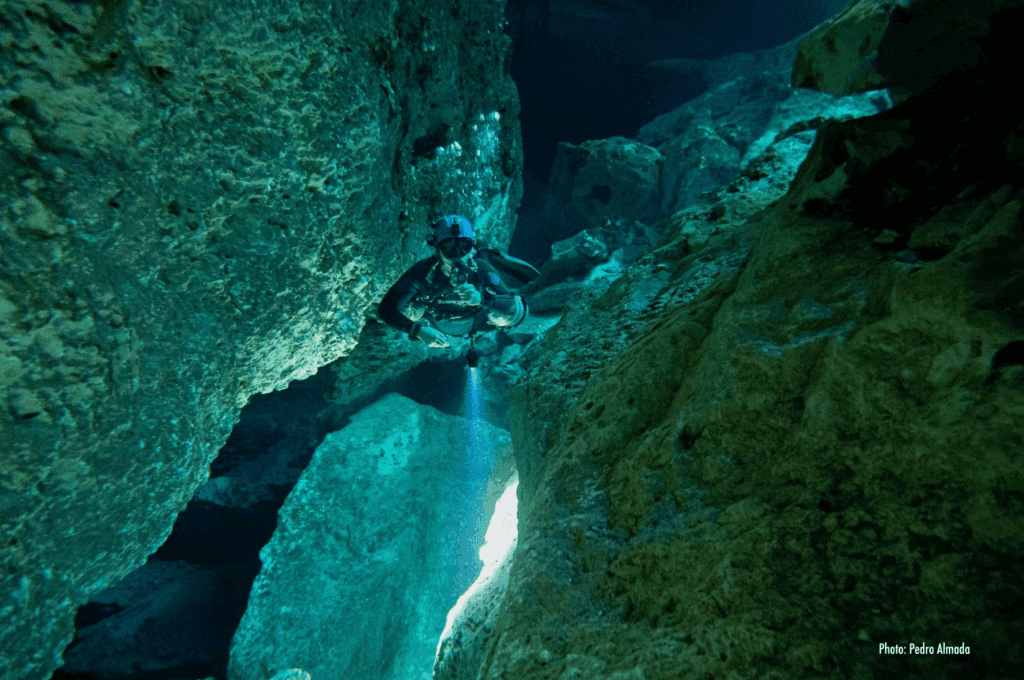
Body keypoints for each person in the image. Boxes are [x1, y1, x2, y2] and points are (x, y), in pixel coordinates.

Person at [378, 215, 528, 348]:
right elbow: (386, 309)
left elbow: (511, 304)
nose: (458, 255)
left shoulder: (481, 268)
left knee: (512, 314)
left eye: (464, 246)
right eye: (449, 247)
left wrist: (481, 300)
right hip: (434, 321)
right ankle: (418, 324)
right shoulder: (423, 271)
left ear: (472, 248)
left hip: (475, 319)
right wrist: (418, 330)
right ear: (437, 249)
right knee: (406, 310)